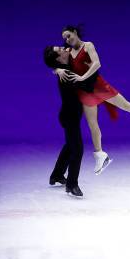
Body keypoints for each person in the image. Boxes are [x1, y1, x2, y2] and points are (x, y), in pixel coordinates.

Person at [54, 25, 130, 174]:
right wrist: (57, 69)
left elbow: (97, 63)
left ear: (75, 33)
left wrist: (82, 77)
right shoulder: (68, 51)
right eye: (64, 38)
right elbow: (53, 61)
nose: (67, 39)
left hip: (99, 85)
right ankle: (100, 155)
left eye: (69, 35)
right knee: (92, 124)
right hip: (85, 92)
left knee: (127, 106)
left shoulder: (88, 45)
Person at [43, 45, 85, 197]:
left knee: (70, 146)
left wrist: (56, 69)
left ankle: (57, 175)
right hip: (70, 117)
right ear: (59, 58)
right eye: (61, 50)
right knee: (78, 149)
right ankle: (72, 184)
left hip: (70, 115)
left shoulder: (64, 67)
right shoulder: (66, 73)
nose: (64, 48)